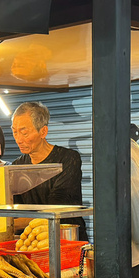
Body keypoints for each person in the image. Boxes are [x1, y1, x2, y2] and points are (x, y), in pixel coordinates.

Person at [10, 101, 86, 238]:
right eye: (15, 132)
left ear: (43, 131)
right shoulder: (16, 166)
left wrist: (16, 224)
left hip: (66, 238)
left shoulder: (68, 159)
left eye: (24, 132)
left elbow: (57, 208)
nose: (18, 139)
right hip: (33, 240)